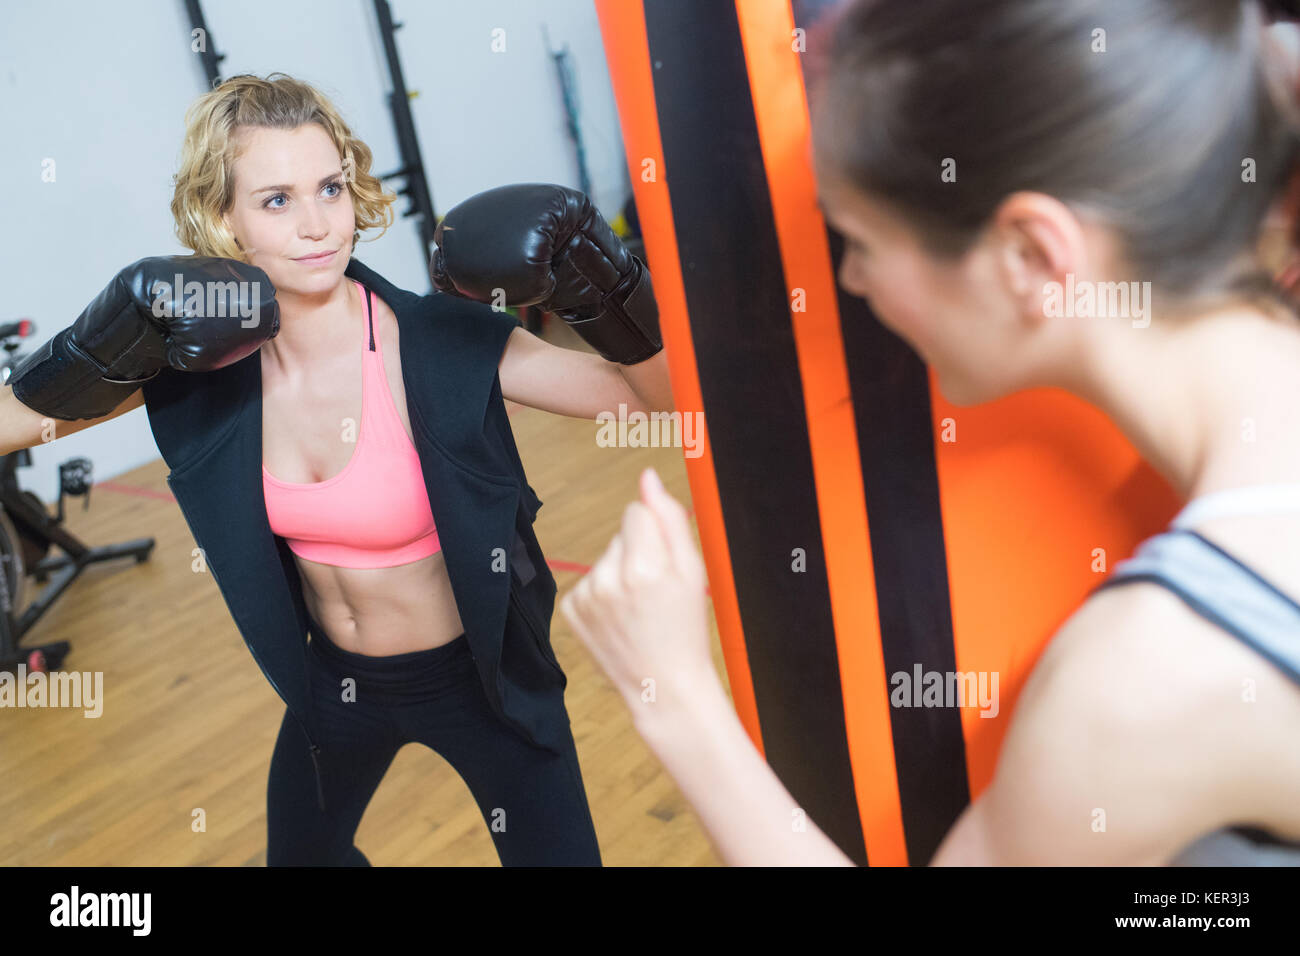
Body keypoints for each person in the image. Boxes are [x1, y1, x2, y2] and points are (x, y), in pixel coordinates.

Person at [560, 0, 1300, 865]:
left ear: (1030, 256)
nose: (852, 279)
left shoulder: (1148, 677)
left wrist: (673, 695)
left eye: (862, 240)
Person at [2, 72, 673, 866]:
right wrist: (90, 351)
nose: (318, 224)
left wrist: (611, 289)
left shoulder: (436, 339)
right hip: (334, 688)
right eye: (276, 200)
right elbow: (14, 424)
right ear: (224, 220)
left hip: (482, 686)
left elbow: (655, 407)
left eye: (330, 188)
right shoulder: (194, 364)